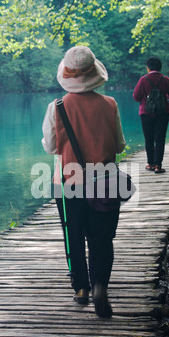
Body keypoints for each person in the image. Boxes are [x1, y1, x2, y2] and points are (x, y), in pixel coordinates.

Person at [41, 46, 126, 318]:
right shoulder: (110, 104)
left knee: (73, 236)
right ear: (94, 73)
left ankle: (80, 288)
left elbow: (51, 147)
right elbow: (121, 145)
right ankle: (100, 283)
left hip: (68, 183)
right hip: (105, 181)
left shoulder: (57, 107)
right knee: (102, 238)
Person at [133, 56, 169, 173]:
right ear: (160, 67)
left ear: (148, 68)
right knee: (160, 139)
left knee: (149, 139)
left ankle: (150, 164)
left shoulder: (143, 80)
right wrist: (165, 96)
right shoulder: (165, 79)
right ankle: (158, 165)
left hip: (146, 113)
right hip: (162, 113)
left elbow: (136, 97)